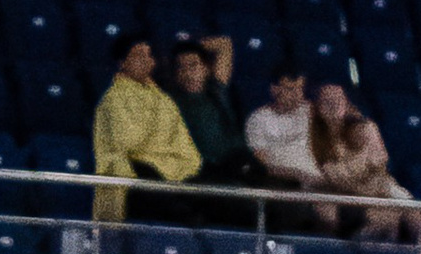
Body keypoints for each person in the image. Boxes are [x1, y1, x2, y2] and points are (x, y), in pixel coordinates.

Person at [90, 33, 200, 226]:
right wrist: (153, 117)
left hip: (171, 174)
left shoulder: (164, 99)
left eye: (149, 56)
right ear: (122, 62)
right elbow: (128, 142)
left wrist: (178, 168)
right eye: (138, 56)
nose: (147, 61)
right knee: (154, 184)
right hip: (133, 174)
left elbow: (186, 148)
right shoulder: (113, 99)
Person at [309, 76, 421, 245]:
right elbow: (336, 177)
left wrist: (359, 168)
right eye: (327, 101)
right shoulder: (316, 138)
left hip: (376, 186)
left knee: (400, 199)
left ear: (346, 102)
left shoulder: (365, 127)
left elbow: (380, 160)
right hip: (342, 194)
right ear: (317, 107)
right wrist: (364, 162)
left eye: (338, 99)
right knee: (387, 213)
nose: (334, 105)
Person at [166, 38, 245, 197]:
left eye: (193, 66)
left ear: (206, 68)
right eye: (181, 68)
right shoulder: (170, 102)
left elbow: (225, 44)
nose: (188, 73)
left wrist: (192, 47)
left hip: (235, 164)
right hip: (202, 174)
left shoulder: (217, 89)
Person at [242, 62, 321, 212]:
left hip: (318, 182)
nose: (298, 95)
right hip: (284, 183)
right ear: (274, 89)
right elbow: (263, 163)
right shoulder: (258, 119)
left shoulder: (311, 110)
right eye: (291, 89)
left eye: (300, 89)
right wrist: (297, 175)